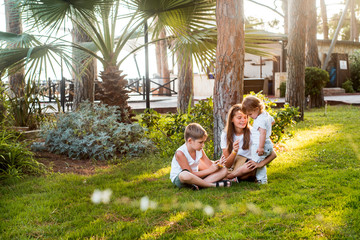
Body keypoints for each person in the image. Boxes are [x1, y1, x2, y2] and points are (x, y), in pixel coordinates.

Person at [220, 103, 277, 183]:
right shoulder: (225, 134)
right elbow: (228, 164)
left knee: (250, 167)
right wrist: (234, 151)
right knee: (243, 173)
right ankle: (236, 177)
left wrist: (260, 164)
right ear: (232, 119)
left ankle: (230, 176)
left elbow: (273, 154)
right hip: (234, 165)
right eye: (239, 118)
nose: (243, 120)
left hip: (248, 165)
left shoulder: (253, 132)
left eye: (245, 117)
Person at [170, 123, 231, 190]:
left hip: (198, 177)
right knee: (184, 174)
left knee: (224, 170)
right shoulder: (180, 153)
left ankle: (198, 185)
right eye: (200, 142)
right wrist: (210, 170)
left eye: (203, 142)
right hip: (183, 179)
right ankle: (211, 185)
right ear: (190, 141)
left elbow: (209, 165)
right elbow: (191, 173)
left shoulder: (199, 150)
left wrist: (218, 165)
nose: (203, 145)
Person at [241, 96, 275, 184]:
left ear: (256, 109)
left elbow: (263, 133)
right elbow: (273, 122)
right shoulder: (265, 115)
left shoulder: (259, 120)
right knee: (258, 161)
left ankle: (262, 180)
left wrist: (260, 147)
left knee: (257, 163)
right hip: (267, 142)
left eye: (250, 114)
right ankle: (260, 179)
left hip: (260, 145)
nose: (250, 117)